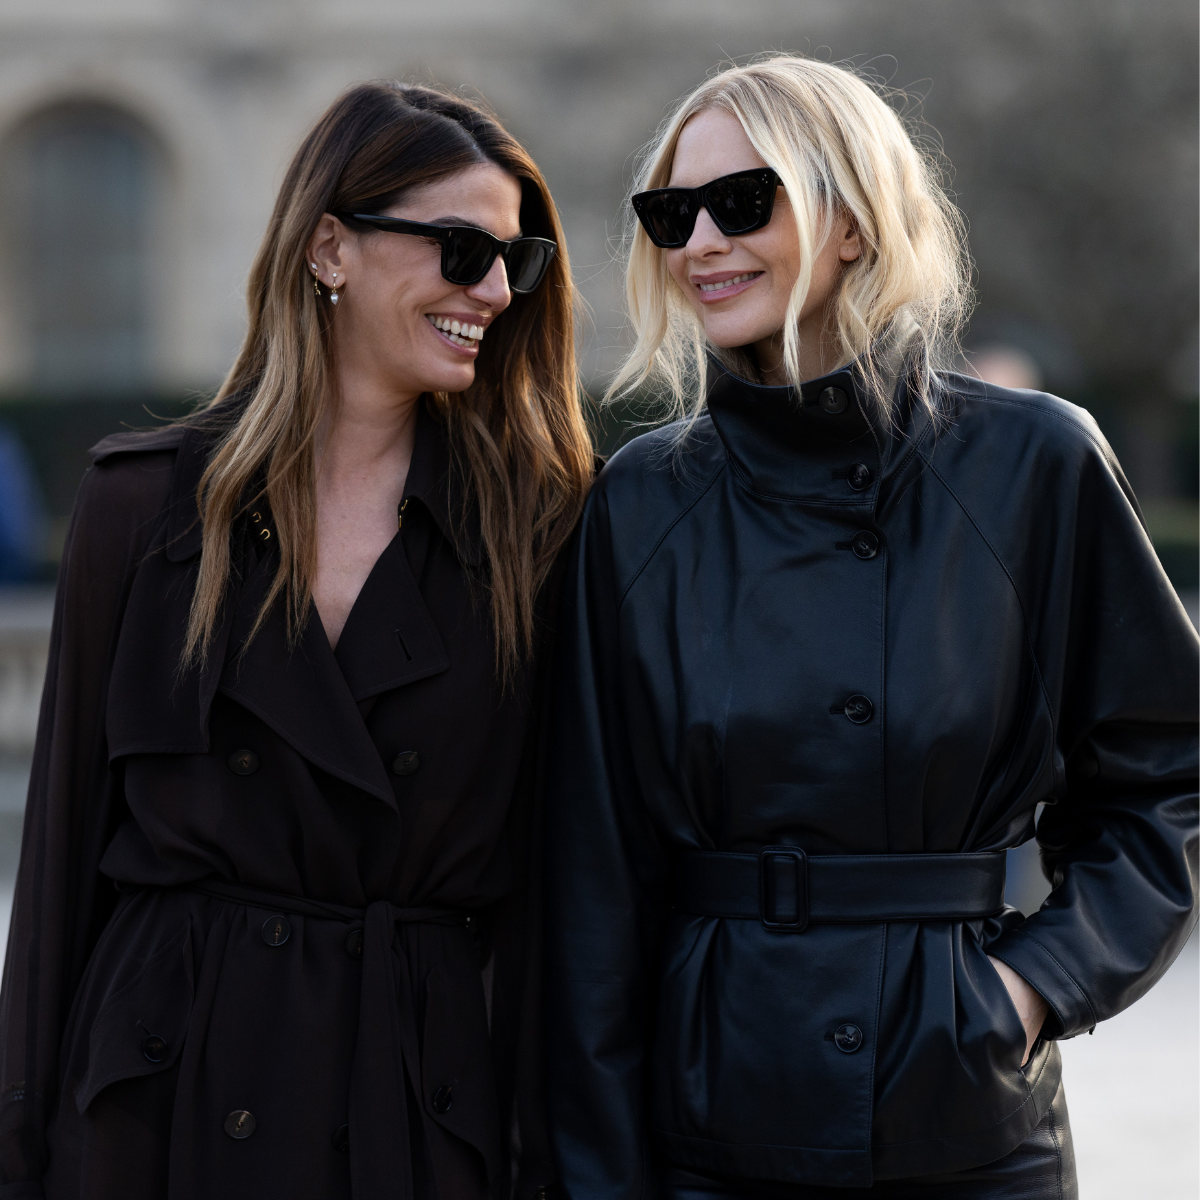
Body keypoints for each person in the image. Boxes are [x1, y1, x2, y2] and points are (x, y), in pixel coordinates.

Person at [544, 55, 1198, 1200]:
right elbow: (593, 879)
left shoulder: (1033, 464)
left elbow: (1166, 775)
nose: (701, 242)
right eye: (671, 214)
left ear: (852, 222)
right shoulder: (641, 501)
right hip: (714, 1124)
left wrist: (1028, 988)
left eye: (743, 201)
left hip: (968, 1121)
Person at [0, 80, 592, 1199]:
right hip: (158, 1111)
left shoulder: (540, 532)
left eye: (518, 261)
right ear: (330, 248)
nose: (494, 290)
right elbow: (57, 872)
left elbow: (557, 901)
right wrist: (19, 1153)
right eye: (463, 250)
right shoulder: (142, 510)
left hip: (410, 1107)